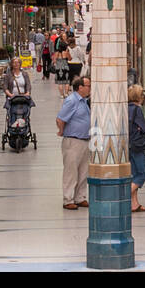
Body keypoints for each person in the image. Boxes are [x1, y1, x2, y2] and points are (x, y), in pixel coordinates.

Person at [56, 75, 91, 209]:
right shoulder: (72, 101)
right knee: (71, 172)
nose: (90, 89)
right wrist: (62, 131)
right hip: (73, 140)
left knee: (83, 171)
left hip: (84, 140)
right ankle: (68, 199)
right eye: (88, 86)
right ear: (80, 87)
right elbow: (60, 119)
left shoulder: (84, 101)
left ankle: (80, 197)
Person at [127, 84, 145, 213]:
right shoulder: (137, 110)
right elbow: (144, 129)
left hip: (128, 144)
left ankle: (134, 204)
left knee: (134, 174)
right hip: (137, 145)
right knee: (142, 174)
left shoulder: (125, 108)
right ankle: (124, 195)